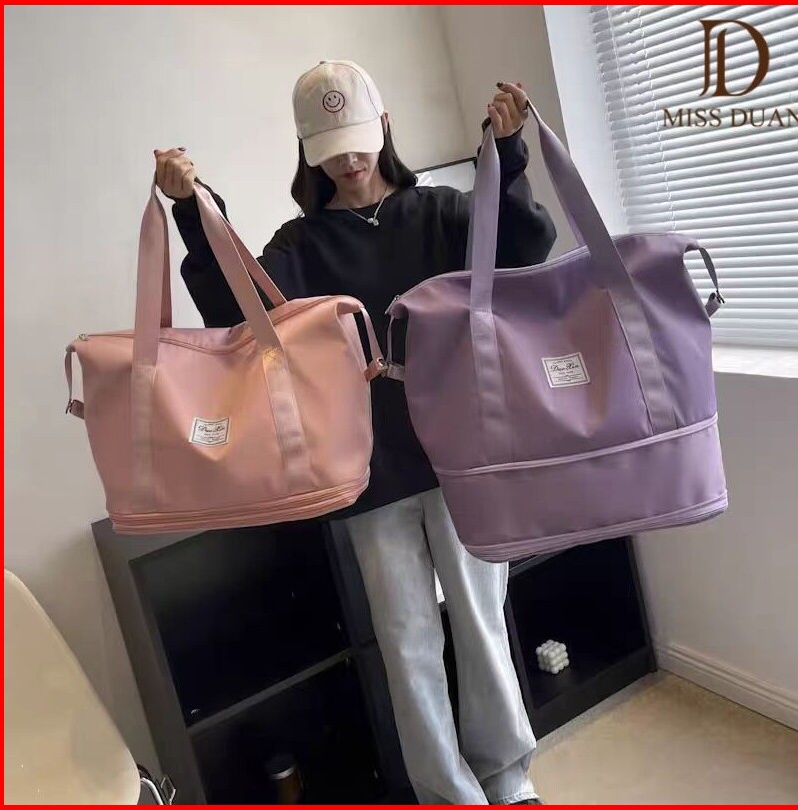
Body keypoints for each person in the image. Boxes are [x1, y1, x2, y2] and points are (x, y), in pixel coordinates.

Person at [157, 60, 556, 805]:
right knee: (407, 641)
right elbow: (236, 314)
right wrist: (193, 210)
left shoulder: (441, 212)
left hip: (459, 454)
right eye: (330, 148)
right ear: (308, 151)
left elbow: (524, 249)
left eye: (358, 140)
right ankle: (449, 793)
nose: (348, 160)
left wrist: (506, 154)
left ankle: (508, 780)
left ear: (384, 127)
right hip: (364, 471)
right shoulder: (299, 245)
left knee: (480, 623)